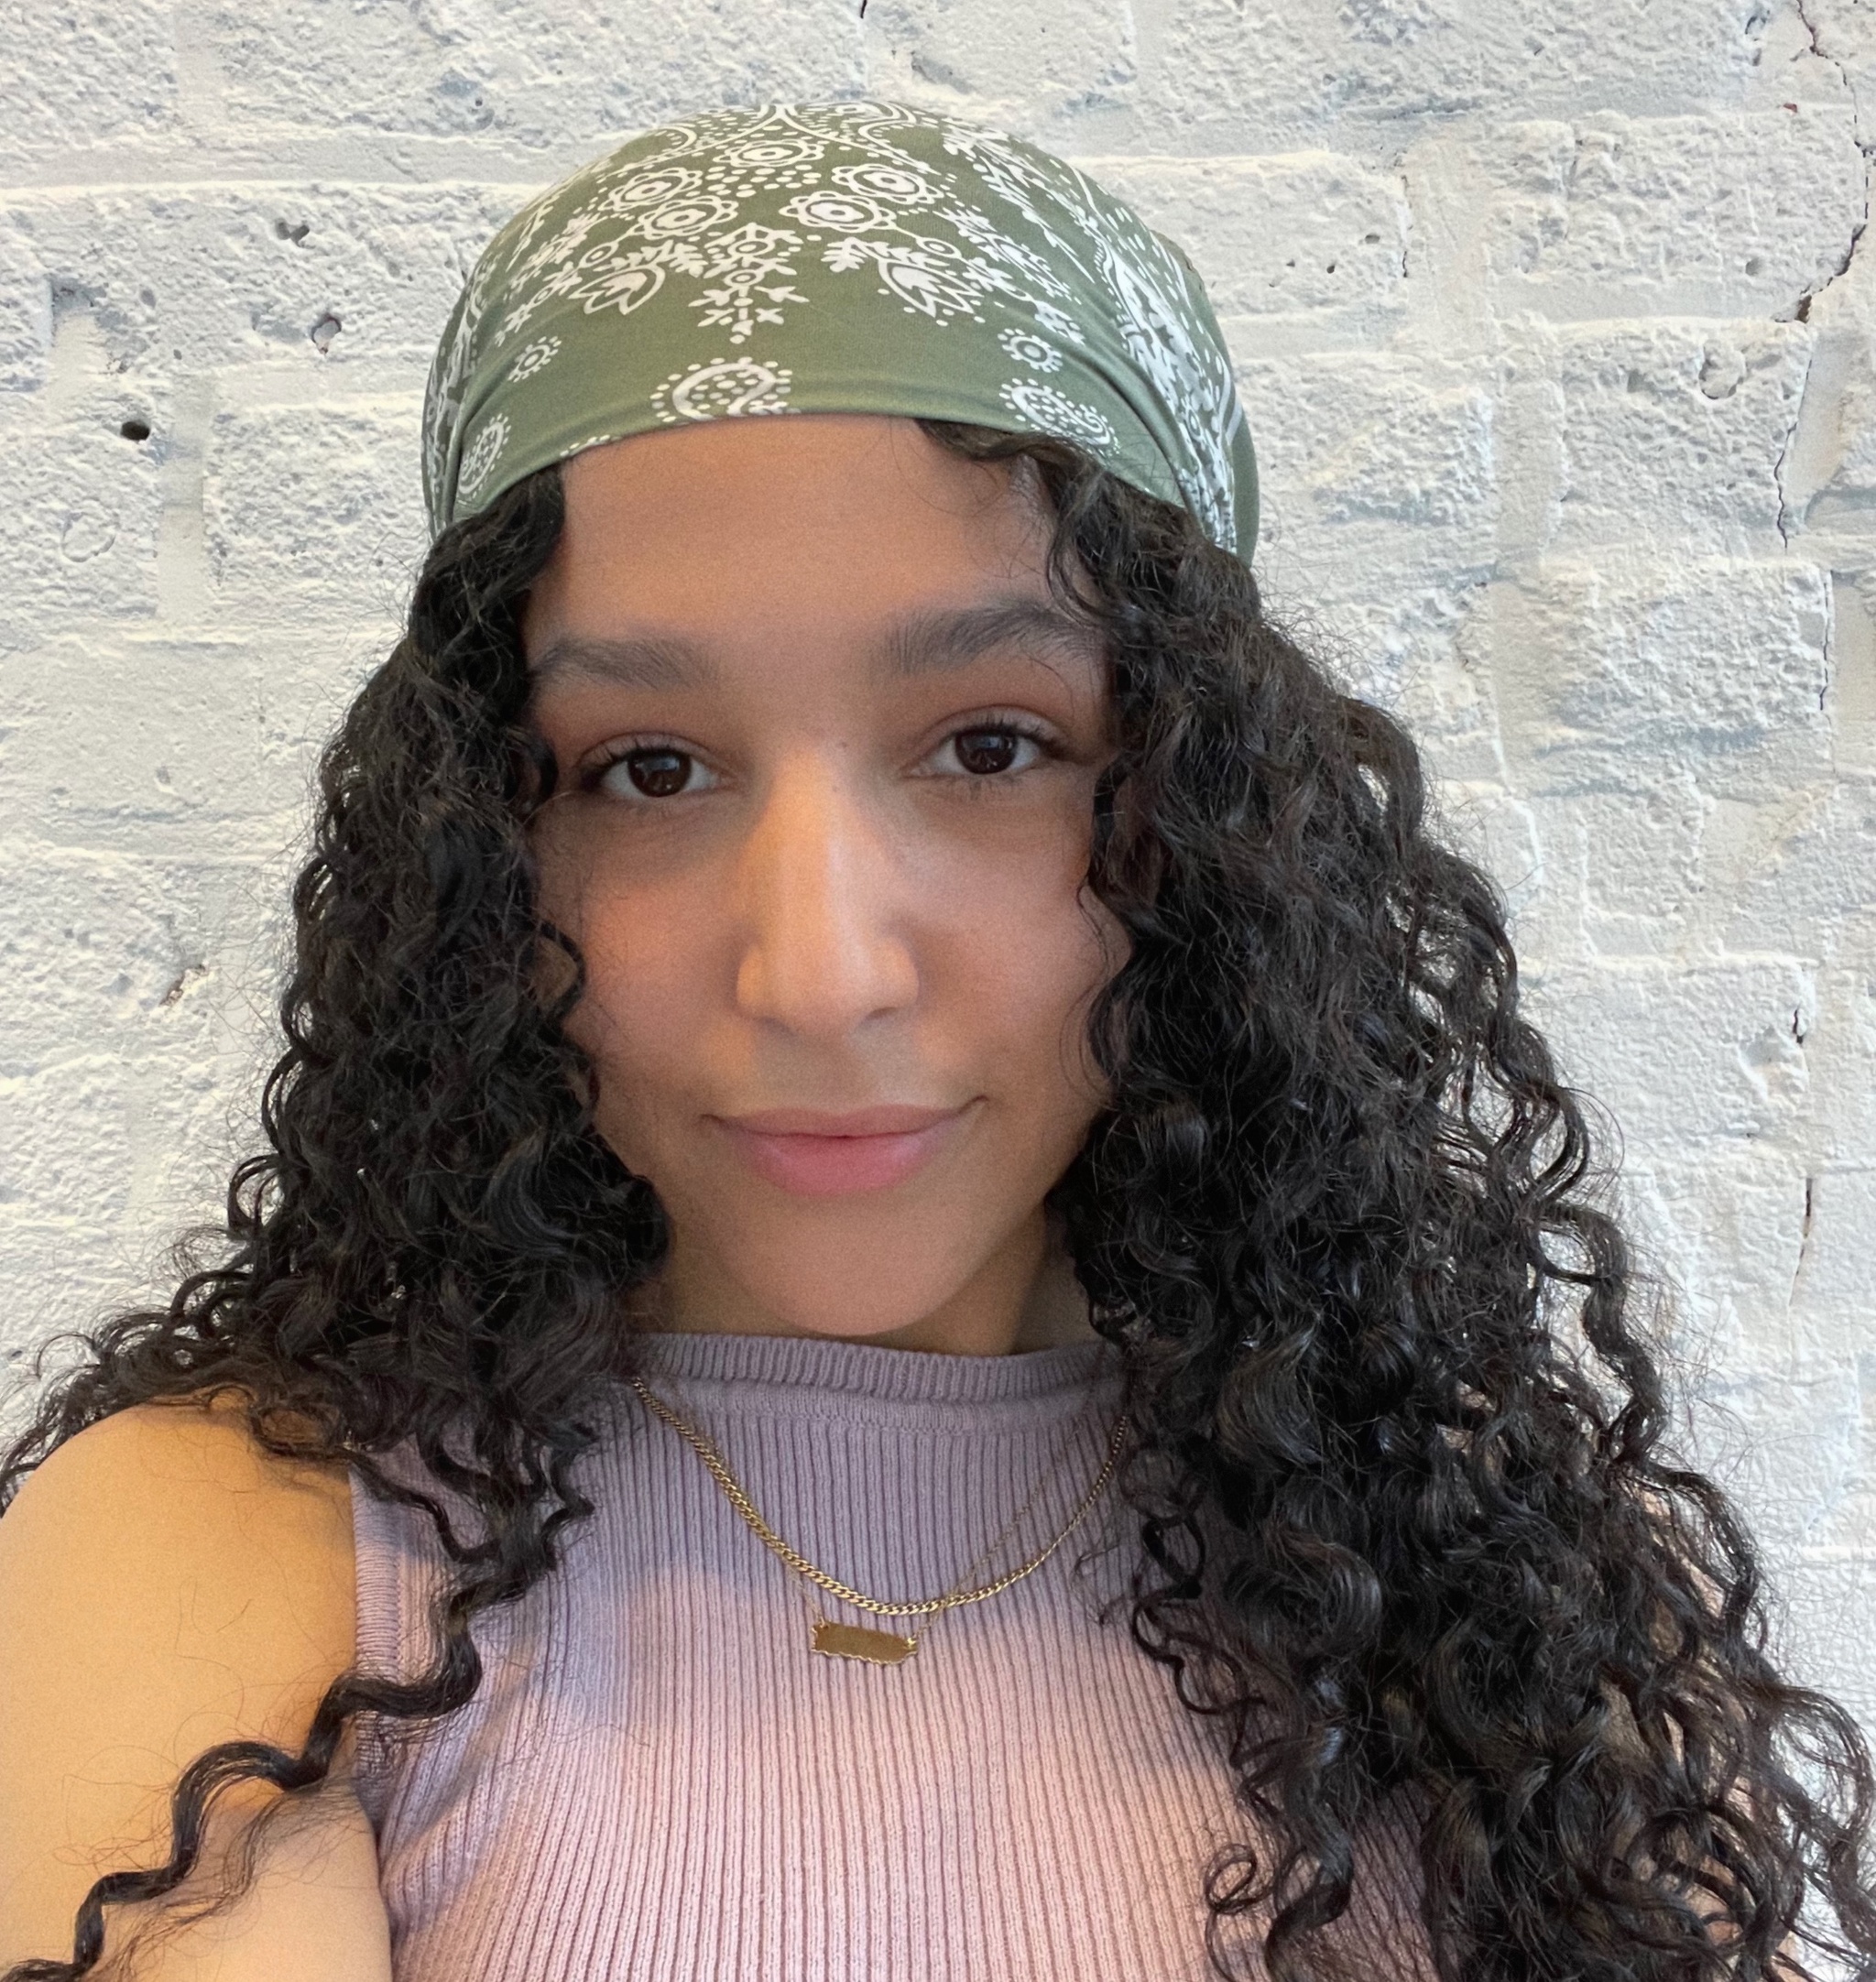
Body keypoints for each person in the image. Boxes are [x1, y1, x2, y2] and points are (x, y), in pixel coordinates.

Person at [0, 98, 1870, 1982]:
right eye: (646, 767)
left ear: (1199, 817)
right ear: (485, 853)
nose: (819, 972)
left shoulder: (1491, 1596)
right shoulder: (242, 1550)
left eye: (992, 745)